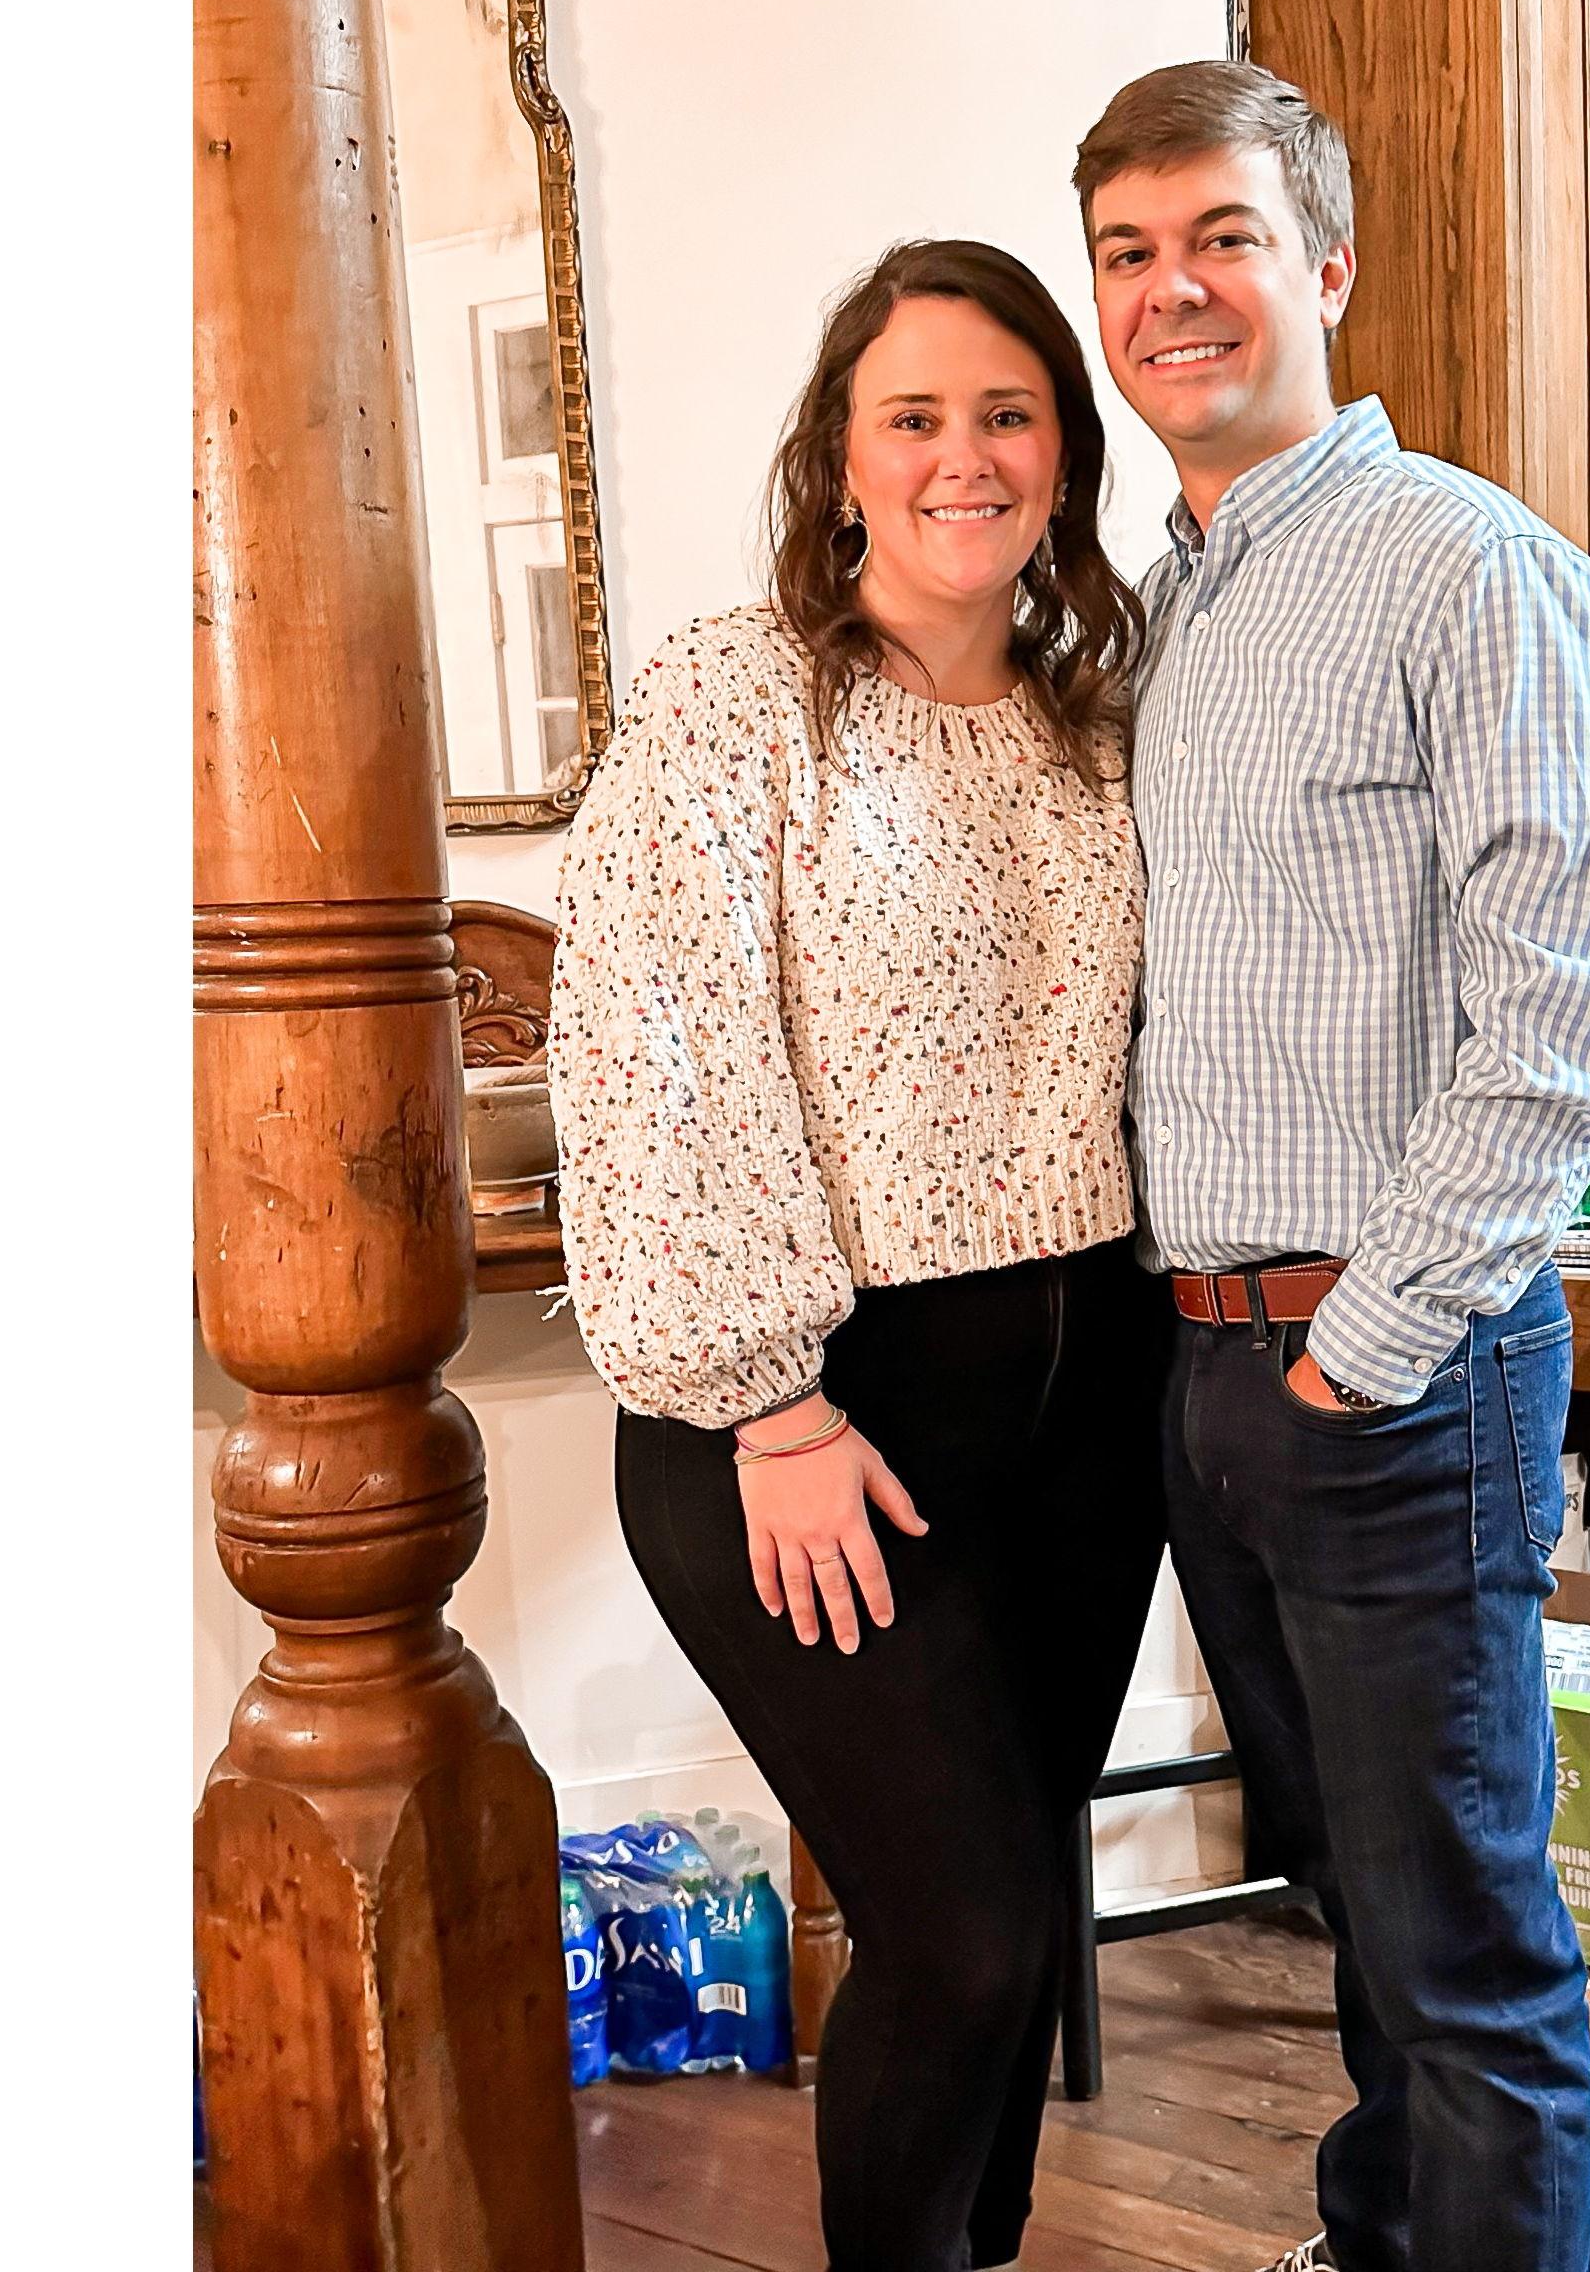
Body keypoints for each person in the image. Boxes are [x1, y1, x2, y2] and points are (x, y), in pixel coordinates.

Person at [1074, 61, 1590, 2272]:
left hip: (1388, 1365)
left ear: (1323, 266)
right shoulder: (1166, 611)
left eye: (1219, 237)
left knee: (1466, 1946)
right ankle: (1384, 2230)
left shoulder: (1469, 570)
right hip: (1211, 1359)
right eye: (1128, 252)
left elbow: (1558, 1027)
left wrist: (1363, 1354)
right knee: (1351, 1894)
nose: (1171, 290)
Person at [548, 240, 1172, 2272]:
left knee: (1023, 1912)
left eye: (1007, 414)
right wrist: (775, 1403)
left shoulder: (1104, 719)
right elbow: (655, 1047)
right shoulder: (740, 700)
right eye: (913, 416)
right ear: (838, 459)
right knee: (960, 1931)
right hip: (824, 1410)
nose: (960, 456)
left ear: (1062, 460)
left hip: (1091, 1402)